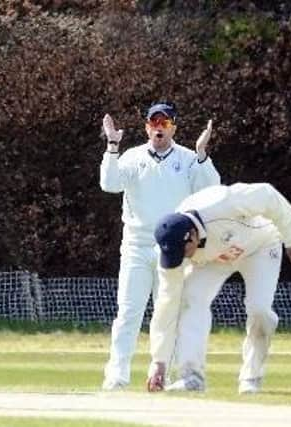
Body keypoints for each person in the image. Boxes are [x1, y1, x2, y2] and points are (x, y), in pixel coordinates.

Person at [99, 102, 221, 390]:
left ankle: (171, 375)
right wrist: (112, 147)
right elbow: (109, 183)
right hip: (136, 246)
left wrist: (203, 155)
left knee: (170, 315)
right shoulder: (132, 156)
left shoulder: (189, 159)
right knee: (129, 313)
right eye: (154, 122)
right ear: (146, 127)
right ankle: (117, 376)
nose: (159, 127)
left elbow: (211, 189)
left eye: (165, 123)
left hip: (173, 249)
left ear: (173, 128)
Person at [146, 183, 291, 395]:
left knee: (259, 310)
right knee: (189, 298)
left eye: (183, 251)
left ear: (192, 234)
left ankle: (251, 377)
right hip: (214, 259)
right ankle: (191, 377)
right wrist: (158, 361)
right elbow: (166, 304)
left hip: (260, 246)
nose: (181, 258)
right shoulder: (172, 252)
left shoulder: (222, 203)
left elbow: (268, 195)